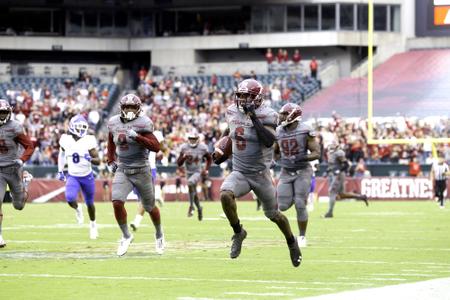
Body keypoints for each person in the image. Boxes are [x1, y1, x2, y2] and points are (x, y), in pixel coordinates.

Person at [212, 79, 301, 267]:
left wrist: (253, 117)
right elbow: (231, 131)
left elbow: (269, 140)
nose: (243, 100)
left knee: (274, 215)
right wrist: (221, 148)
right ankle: (238, 232)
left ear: (257, 98)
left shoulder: (268, 114)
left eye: (247, 96)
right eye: (241, 95)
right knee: (225, 195)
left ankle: (291, 242)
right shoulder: (231, 111)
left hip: (261, 175)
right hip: (240, 172)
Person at [106, 94, 161, 256]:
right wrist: (110, 159)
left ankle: (159, 234)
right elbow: (111, 140)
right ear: (121, 108)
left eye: (133, 107)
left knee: (150, 207)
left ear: (138, 109)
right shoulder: (113, 122)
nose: (129, 110)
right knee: (117, 201)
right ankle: (126, 236)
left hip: (141, 168)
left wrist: (138, 137)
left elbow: (156, 147)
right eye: (127, 107)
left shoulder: (144, 123)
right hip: (123, 168)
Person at [273, 103, 320, 248]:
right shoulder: (278, 131)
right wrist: (278, 160)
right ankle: (297, 196)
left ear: (293, 115)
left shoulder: (305, 130)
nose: (281, 116)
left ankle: (302, 236)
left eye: (284, 113)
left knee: (300, 203)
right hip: (286, 172)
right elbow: (275, 151)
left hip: (302, 171)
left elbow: (317, 152)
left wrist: (303, 158)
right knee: (283, 206)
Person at [58, 115, 100, 239]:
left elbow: (98, 160)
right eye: (78, 127)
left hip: (87, 175)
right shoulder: (65, 139)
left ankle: (93, 225)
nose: (81, 130)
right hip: (73, 175)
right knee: (70, 198)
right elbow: (61, 154)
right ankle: (78, 209)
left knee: (90, 204)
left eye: (83, 127)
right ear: (71, 127)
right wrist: (60, 170)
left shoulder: (89, 139)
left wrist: (91, 159)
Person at [0, 99, 34, 248]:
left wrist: (22, 160)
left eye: (4, 112)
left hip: (14, 169)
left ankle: (26, 183)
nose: (2, 115)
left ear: (9, 112)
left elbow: (29, 146)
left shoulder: (15, 127)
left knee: (18, 205)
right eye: (0, 112)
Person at [129, 129, 167, 254]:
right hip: (133, 169)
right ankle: (157, 195)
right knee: (142, 199)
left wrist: (162, 154)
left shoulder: (156, 133)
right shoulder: (130, 131)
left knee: (146, 200)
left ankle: (137, 222)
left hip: (149, 168)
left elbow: (162, 147)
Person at [323, 142, 369, 218]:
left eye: (332, 146)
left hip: (338, 175)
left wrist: (338, 171)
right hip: (335, 174)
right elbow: (333, 165)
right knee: (342, 194)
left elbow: (346, 164)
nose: (330, 148)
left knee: (332, 192)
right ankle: (361, 197)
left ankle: (330, 213)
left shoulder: (339, 153)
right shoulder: (331, 154)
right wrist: (327, 171)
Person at [176, 131, 212, 221]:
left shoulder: (203, 147)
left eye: (194, 139)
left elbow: (209, 158)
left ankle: (191, 206)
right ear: (188, 139)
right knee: (193, 192)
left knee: (190, 183)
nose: (192, 141)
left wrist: (207, 169)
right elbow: (179, 163)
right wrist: (184, 157)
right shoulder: (184, 147)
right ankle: (199, 208)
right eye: (191, 139)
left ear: (198, 139)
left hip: (197, 171)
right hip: (188, 172)